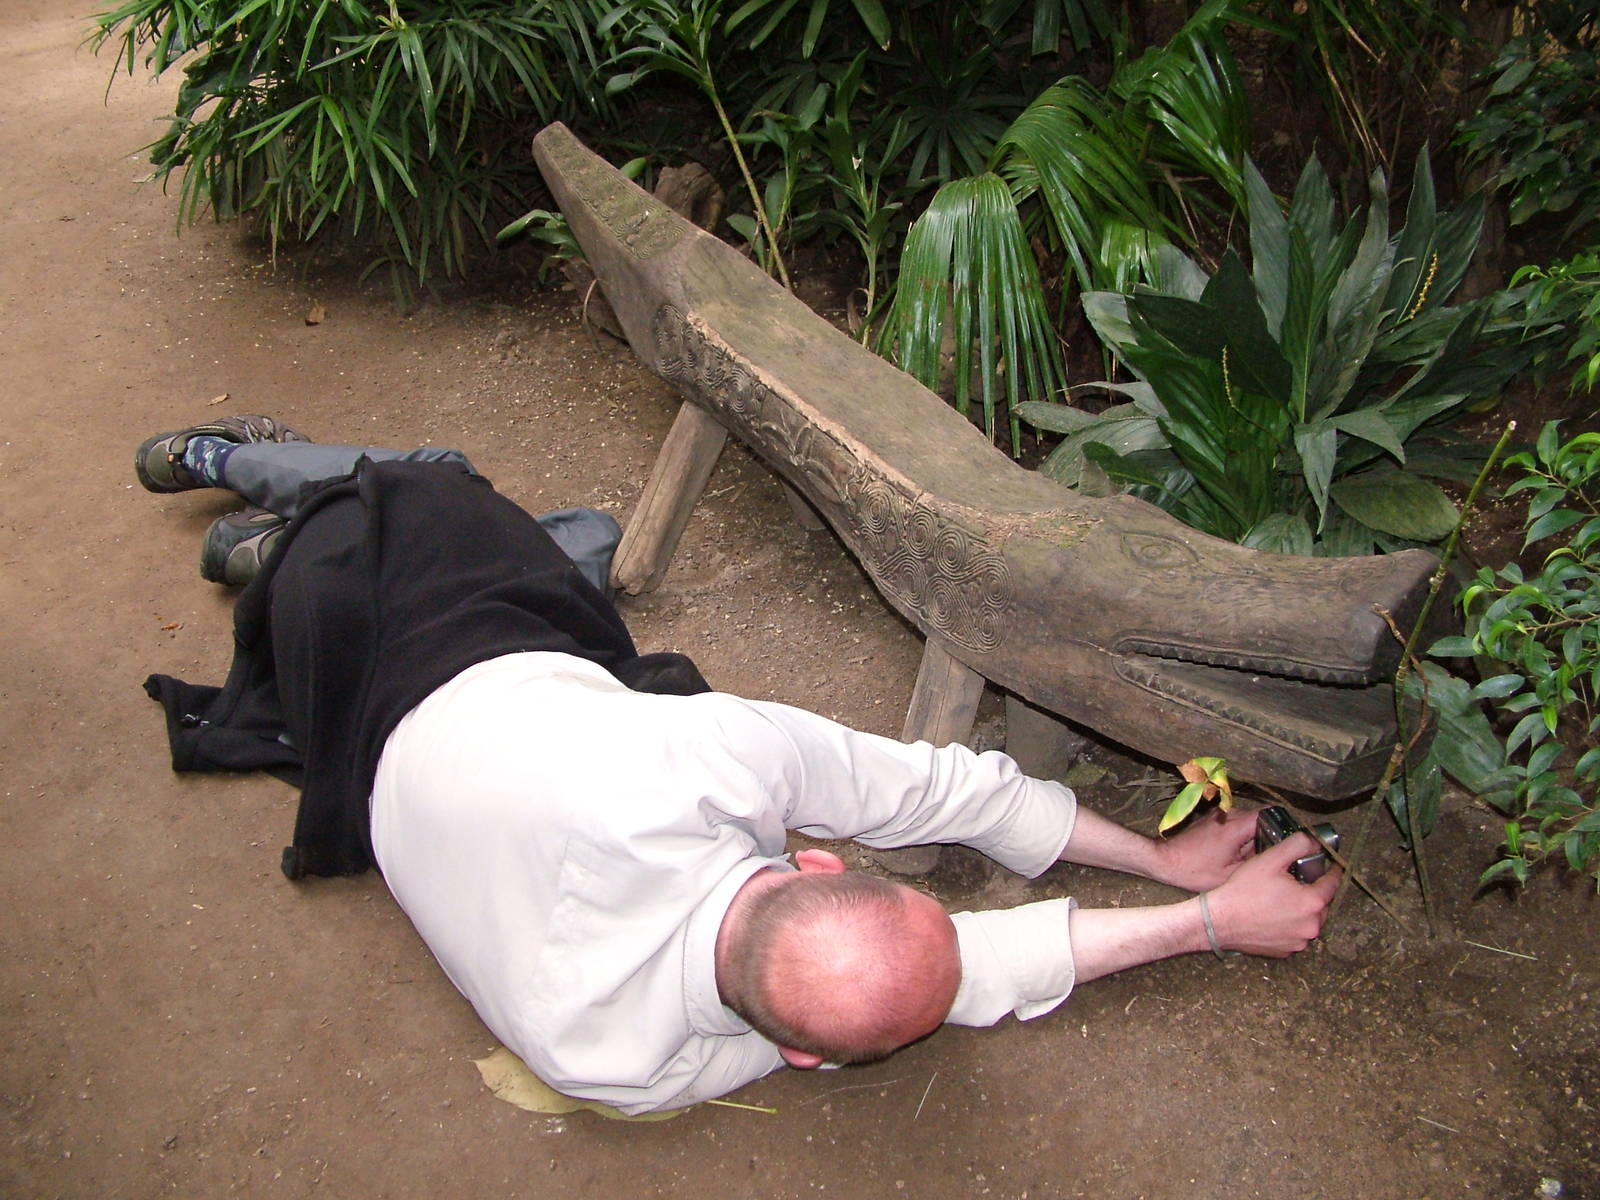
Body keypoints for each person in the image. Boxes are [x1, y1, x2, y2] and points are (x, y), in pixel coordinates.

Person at [138, 415, 1341, 1115]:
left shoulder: (705, 759)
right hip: (354, 716)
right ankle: (264, 528)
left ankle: (245, 470)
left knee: (429, 484)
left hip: (424, 633)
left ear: (816, 859)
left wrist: (1182, 883)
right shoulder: (608, 1061)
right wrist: (1195, 909)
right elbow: (961, 953)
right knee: (488, 527)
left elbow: (942, 802)